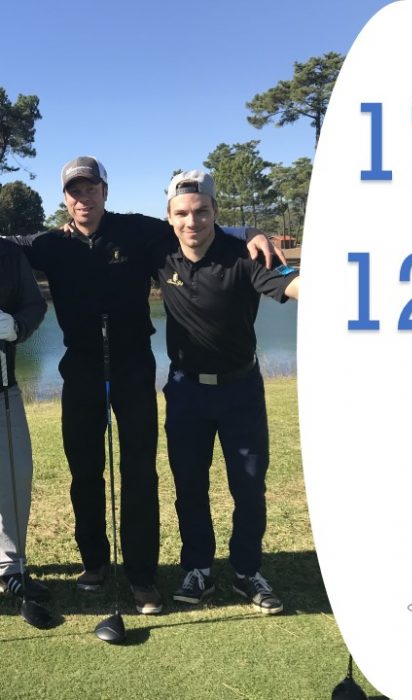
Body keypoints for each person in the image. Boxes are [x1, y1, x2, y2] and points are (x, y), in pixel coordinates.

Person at [5, 156, 280, 615]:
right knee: (84, 471)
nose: (83, 198)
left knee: (139, 473)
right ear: (66, 199)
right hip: (82, 369)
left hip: (133, 367)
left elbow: (193, 223)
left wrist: (251, 231)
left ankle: (141, 575)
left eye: (91, 189)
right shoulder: (50, 244)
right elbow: (7, 246)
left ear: (105, 191)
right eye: (75, 191)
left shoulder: (137, 230)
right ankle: (95, 563)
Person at [158, 170, 299, 615]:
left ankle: (246, 571)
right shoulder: (159, 253)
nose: (192, 221)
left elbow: (292, 283)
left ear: (215, 212)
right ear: (169, 217)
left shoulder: (246, 254)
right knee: (189, 486)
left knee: (249, 487)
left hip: (241, 391)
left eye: (201, 211)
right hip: (186, 392)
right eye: (182, 213)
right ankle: (198, 569)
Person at [0, 240, 48, 602]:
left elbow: (34, 304)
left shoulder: (9, 254)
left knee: (15, 474)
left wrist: (16, 326)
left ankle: (11, 567)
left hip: (4, 386)